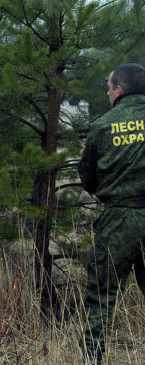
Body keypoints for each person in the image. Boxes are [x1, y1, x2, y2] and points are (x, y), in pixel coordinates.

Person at [78, 63, 145, 364]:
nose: (106, 92)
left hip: (118, 221)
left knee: (101, 297)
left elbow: (88, 178)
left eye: (108, 87)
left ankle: (93, 359)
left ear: (119, 89)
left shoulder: (103, 126)